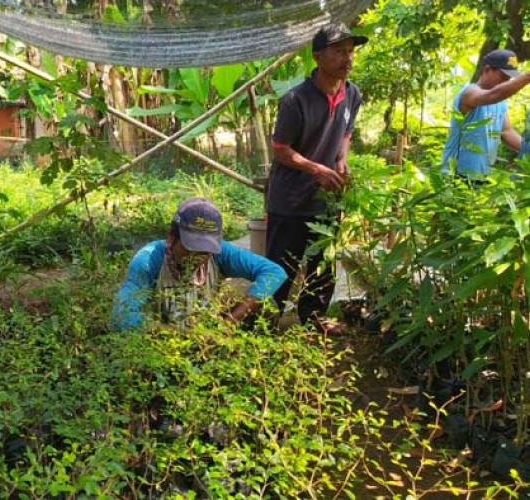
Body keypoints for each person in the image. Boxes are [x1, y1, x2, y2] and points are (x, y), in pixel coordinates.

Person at [265, 23, 367, 331]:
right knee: (283, 265)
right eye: (338, 52)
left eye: (350, 51)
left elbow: (346, 133)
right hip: (291, 199)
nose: (347, 59)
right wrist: (316, 169)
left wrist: (341, 160)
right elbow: (281, 149)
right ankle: (267, 322)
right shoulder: (295, 101)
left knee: (323, 264)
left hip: (327, 198)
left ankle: (314, 318)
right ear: (318, 57)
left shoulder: (352, 94)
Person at [111, 197, 287, 331]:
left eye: (204, 251)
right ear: (172, 238)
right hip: (161, 335)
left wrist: (228, 324)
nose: (197, 257)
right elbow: (121, 316)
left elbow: (274, 272)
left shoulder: (221, 252)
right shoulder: (149, 259)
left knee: (267, 305)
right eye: (190, 248)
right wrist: (176, 335)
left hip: (208, 325)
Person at [442, 49, 530, 178]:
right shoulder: (469, 93)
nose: (506, 82)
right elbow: (493, 95)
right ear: (487, 70)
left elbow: (506, 132)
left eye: (509, 79)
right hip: (456, 174)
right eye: (503, 77)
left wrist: (527, 150)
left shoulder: (500, 102)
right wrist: (527, 77)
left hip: (481, 175)